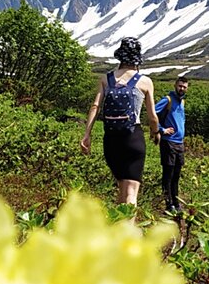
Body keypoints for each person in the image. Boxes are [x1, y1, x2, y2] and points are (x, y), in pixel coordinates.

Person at [80, 38, 161, 206]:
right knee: (131, 192)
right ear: (137, 59)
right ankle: (127, 230)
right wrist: (155, 132)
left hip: (111, 140)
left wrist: (87, 134)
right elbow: (153, 117)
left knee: (122, 188)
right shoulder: (145, 82)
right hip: (133, 139)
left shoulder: (106, 79)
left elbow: (96, 106)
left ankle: (117, 226)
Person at [154, 76, 188, 214]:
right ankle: (168, 204)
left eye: (184, 87)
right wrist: (162, 130)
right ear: (175, 85)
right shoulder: (167, 100)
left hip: (179, 143)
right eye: (180, 86)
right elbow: (152, 114)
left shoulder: (182, 101)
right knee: (168, 173)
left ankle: (176, 202)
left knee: (176, 174)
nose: (182, 89)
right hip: (168, 142)